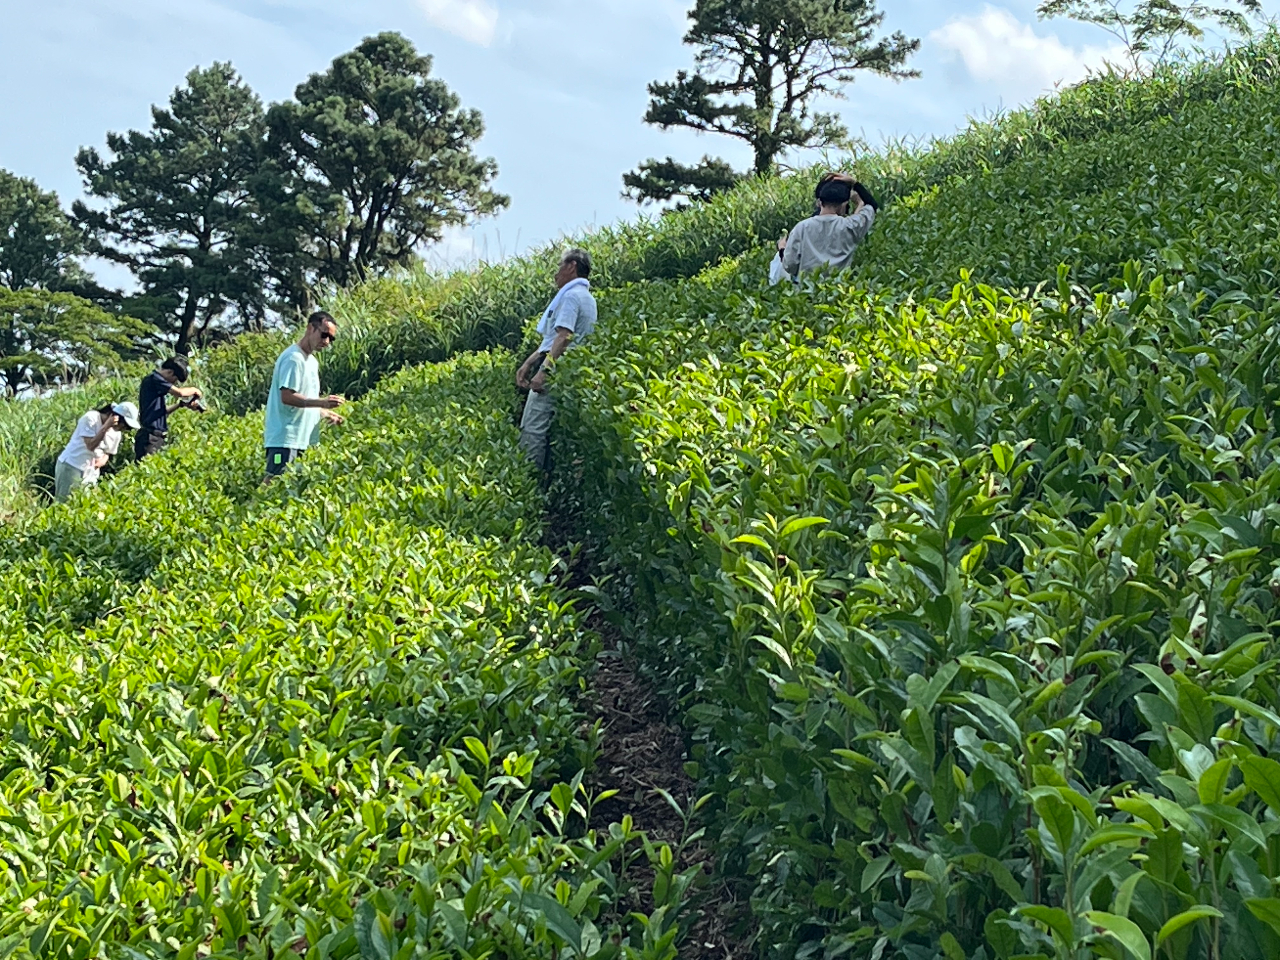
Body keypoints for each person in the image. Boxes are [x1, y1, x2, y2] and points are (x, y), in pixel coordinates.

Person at [515, 248, 598, 471]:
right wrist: (528, 363)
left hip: (556, 371)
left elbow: (564, 337)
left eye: (559, 267)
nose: (556, 274)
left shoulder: (570, 296)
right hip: (572, 371)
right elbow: (554, 338)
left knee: (533, 428)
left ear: (572, 266)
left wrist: (543, 371)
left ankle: (528, 481)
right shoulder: (587, 297)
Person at [263, 311, 345, 479]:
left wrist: (325, 413)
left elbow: (305, 401)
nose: (327, 342)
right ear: (310, 328)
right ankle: (253, 506)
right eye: (324, 335)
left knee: (289, 489)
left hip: (303, 439)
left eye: (331, 338)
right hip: (285, 440)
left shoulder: (312, 362)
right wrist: (323, 403)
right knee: (272, 484)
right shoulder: (293, 359)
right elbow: (287, 397)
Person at [770, 172, 879, 284]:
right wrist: (855, 184)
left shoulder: (802, 228)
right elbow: (872, 205)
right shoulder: (851, 226)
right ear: (844, 205)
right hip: (839, 292)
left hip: (807, 293)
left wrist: (782, 249)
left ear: (820, 202)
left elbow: (790, 265)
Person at [54, 401, 141, 502]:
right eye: (124, 424)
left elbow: (108, 452)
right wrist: (105, 427)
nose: (123, 428)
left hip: (91, 471)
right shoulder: (91, 418)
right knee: (65, 502)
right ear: (115, 416)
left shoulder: (116, 433)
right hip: (72, 465)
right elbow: (91, 445)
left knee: (86, 504)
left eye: (127, 428)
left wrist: (103, 461)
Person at [135, 356, 205, 461]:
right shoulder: (154, 378)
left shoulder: (155, 386)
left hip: (155, 437)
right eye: (175, 380)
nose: (173, 383)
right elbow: (180, 392)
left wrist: (181, 405)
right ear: (170, 372)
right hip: (150, 437)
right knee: (146, 468)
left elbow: (163, 412)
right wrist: (195, 390)